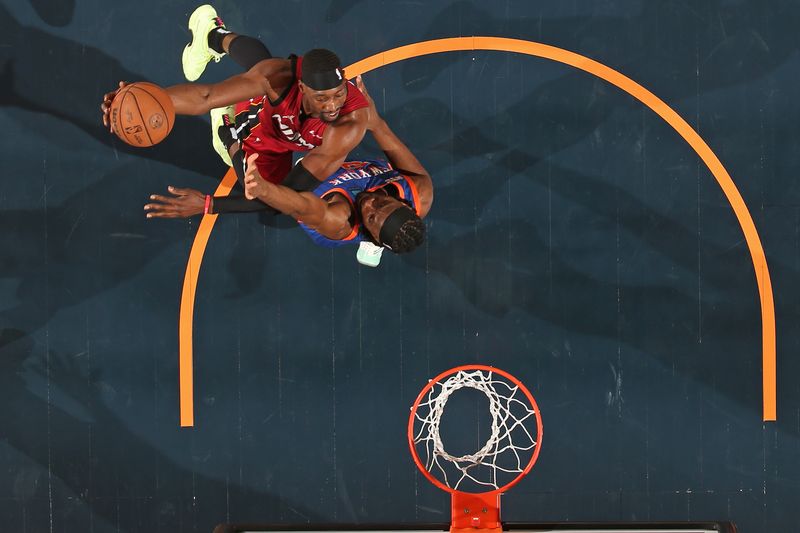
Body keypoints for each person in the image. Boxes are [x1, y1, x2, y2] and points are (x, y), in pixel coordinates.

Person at [100, 4, 370, 209]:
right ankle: (227, 124)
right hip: (262, 121)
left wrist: (210, 205)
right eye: (323, 98)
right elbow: (206, 97)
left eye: (339, 94)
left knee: (275, 198)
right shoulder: (279, 81)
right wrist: (144, 102)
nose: (334, 104)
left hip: (284, 139)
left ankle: (214, 38)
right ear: (303, 87)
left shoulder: (347, 125)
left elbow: (292, 196)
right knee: (264, 74)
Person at [144, 77, 433, 264]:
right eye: (382, 203)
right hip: (345, 171)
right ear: (403, 202)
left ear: (368, 230)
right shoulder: (419, 191)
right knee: (332, 119)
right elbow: (380, 128)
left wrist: (210, 203)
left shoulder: (336, 220)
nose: (371, 203)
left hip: (312, 196)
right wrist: (366, 112)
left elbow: (287, 202)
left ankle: (230, 142)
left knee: (268, 191)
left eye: (371, 216)